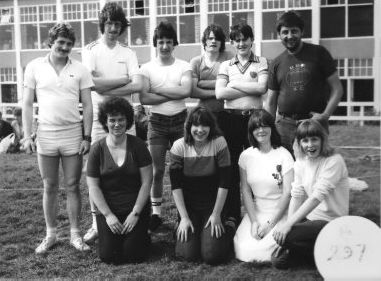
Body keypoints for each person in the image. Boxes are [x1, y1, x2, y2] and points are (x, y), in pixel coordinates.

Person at [22, 22, 93, 254]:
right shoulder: (34, 66)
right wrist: (27, 135)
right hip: (46, 134)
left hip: (73, 132)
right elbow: (26, 104)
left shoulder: (80, 69)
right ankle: (51, 235)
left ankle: (75, 235)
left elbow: (88, 105)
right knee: (49, 186)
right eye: (61, 42)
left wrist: (87, 136)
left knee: (73, 185)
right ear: (51, 42)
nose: (65, 47)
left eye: (69, 44)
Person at [82, 2, 143, 243]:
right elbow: (93, 84)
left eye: (118, 24)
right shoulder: (91, 50)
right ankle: (97, 222)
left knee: (130, 166)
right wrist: (123, 80)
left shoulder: (128, 52)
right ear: (102, 24)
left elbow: (138, 85)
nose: (113, 28)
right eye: (109, 24)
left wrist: (107, 82)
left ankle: (134, 215)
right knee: (96, 171)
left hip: (125, 117)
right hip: (100, 119)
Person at [271, 119, 349, 269]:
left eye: (314, 139)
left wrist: (289, 226)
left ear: (322, 139)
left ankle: (333, 250)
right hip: (310, 219)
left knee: (288, 236)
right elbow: (297, 195)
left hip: (331, 221)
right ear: (299, 143)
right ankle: (325, 254)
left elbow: (315, 198)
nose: (310, 145)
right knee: (278, 260)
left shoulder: (334, 161)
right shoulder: (301, 162)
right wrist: (290, 226)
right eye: (305, 140)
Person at [265, 11, 343, 154]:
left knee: (317, 167)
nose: (289, 36)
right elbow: (271, 101)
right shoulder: (276, 63)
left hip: (313, 123)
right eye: (285, 32)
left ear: (302, 31)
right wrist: (269, 131)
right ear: (279, 35)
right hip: (284, 125)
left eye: (294, 31)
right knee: (287, 170)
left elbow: (337, 88)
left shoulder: (319, 53)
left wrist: (325, 116)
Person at [139, 22, 192, 231]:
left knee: (183, 168)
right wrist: (173, 91)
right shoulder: (147, 68)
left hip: (180, 120)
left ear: (174, 43)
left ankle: (184, 212)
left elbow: (186, 91)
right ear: (155, 44)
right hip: (157, 123)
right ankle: (156, 213)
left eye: (168, 42)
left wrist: (158, 93)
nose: (164, 46)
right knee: (157, 170)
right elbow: (144, 97)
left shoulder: (183, 65)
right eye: (160, 42)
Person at [87, 97, 152, 264]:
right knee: (109, 257)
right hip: (110, 210)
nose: (117, 124)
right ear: (105, 121)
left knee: (134, 255)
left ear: (128, 120)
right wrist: (108, 215)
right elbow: (93, 187)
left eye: (121, 119)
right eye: (112, 120)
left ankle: (143, 235)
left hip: (135, 209)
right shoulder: (97, 149)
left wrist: (135, 213)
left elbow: (146, 183)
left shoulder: (138, 146)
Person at [215, 23, 269, 227]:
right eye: (236, 40)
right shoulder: (226, 66)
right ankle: (232, 215)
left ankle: (259, 213)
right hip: (230, 120)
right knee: (231, 168)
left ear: (251, 40)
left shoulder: (261, 61)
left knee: (257, 167)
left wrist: (234, 84)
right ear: (232, 42)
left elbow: (262, 88)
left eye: (244, 38)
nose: (241, 43)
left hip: (254, 120)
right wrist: (250, 89)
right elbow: (220, 94)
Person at [169, 106, 233, 264]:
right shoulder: (178, 146)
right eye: (195, 125)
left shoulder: (219, 142)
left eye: (205, 125)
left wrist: (216, 214)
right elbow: (176, 186)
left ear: (211, 127)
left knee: (212, 256)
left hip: (212, 205)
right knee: (187, 255)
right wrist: (183, 217)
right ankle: (188, 228)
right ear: (189, 126)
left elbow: (224, 182)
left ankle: (229, 226)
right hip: (189, 206)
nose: (200, 130)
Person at [233, 109, 294, 262]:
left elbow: (288, 192)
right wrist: (254, 222)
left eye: (264, 126)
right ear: (251, 131)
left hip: (280, 212)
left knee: (265, 249)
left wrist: (269, 225)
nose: (261, 130)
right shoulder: (246, 156)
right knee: (244, 249)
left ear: (272, 128)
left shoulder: (284, 154)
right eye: (256, 127)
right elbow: (245, 191)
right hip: (257, 210)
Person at [190, 24, 232, 128]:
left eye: (217, 38)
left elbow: (232, 84)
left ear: (222, 42)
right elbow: (192, 91)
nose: (213, 41)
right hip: (203, 115)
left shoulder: (229, 58)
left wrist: (201, 83)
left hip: (227, 113)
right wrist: (218, 92)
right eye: (210, 38)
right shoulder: (196, 62)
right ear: (205, 41)